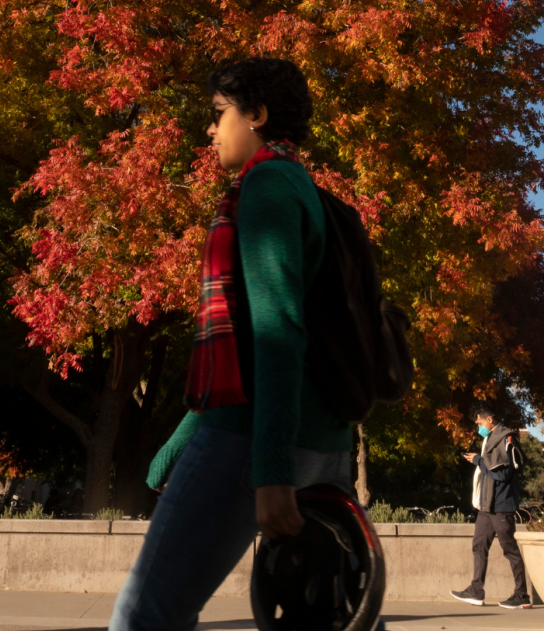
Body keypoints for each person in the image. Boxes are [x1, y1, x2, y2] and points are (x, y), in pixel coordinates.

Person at [110, 58, 358, 631]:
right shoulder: (309, 191)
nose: (210, 129)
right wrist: (181, 441)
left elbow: (278, 332)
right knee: (339, 618)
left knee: (146, 614)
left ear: (259, 115)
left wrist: (270, 472)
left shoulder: (268, 185)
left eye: (219, 114)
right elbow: (252, 348)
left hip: (256, 441)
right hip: (321, 439)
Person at [451, 402, 530, 610]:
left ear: (489, 420)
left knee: (510, 550)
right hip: (486, 505)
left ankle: (522, 595)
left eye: (479, 422)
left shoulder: (506, 437)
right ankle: (476, 591)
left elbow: (503, 473)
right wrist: (479, 461)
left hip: (501, 505)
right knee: (479, 545)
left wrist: (478, 461)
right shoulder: (489, 438)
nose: (479, 427)